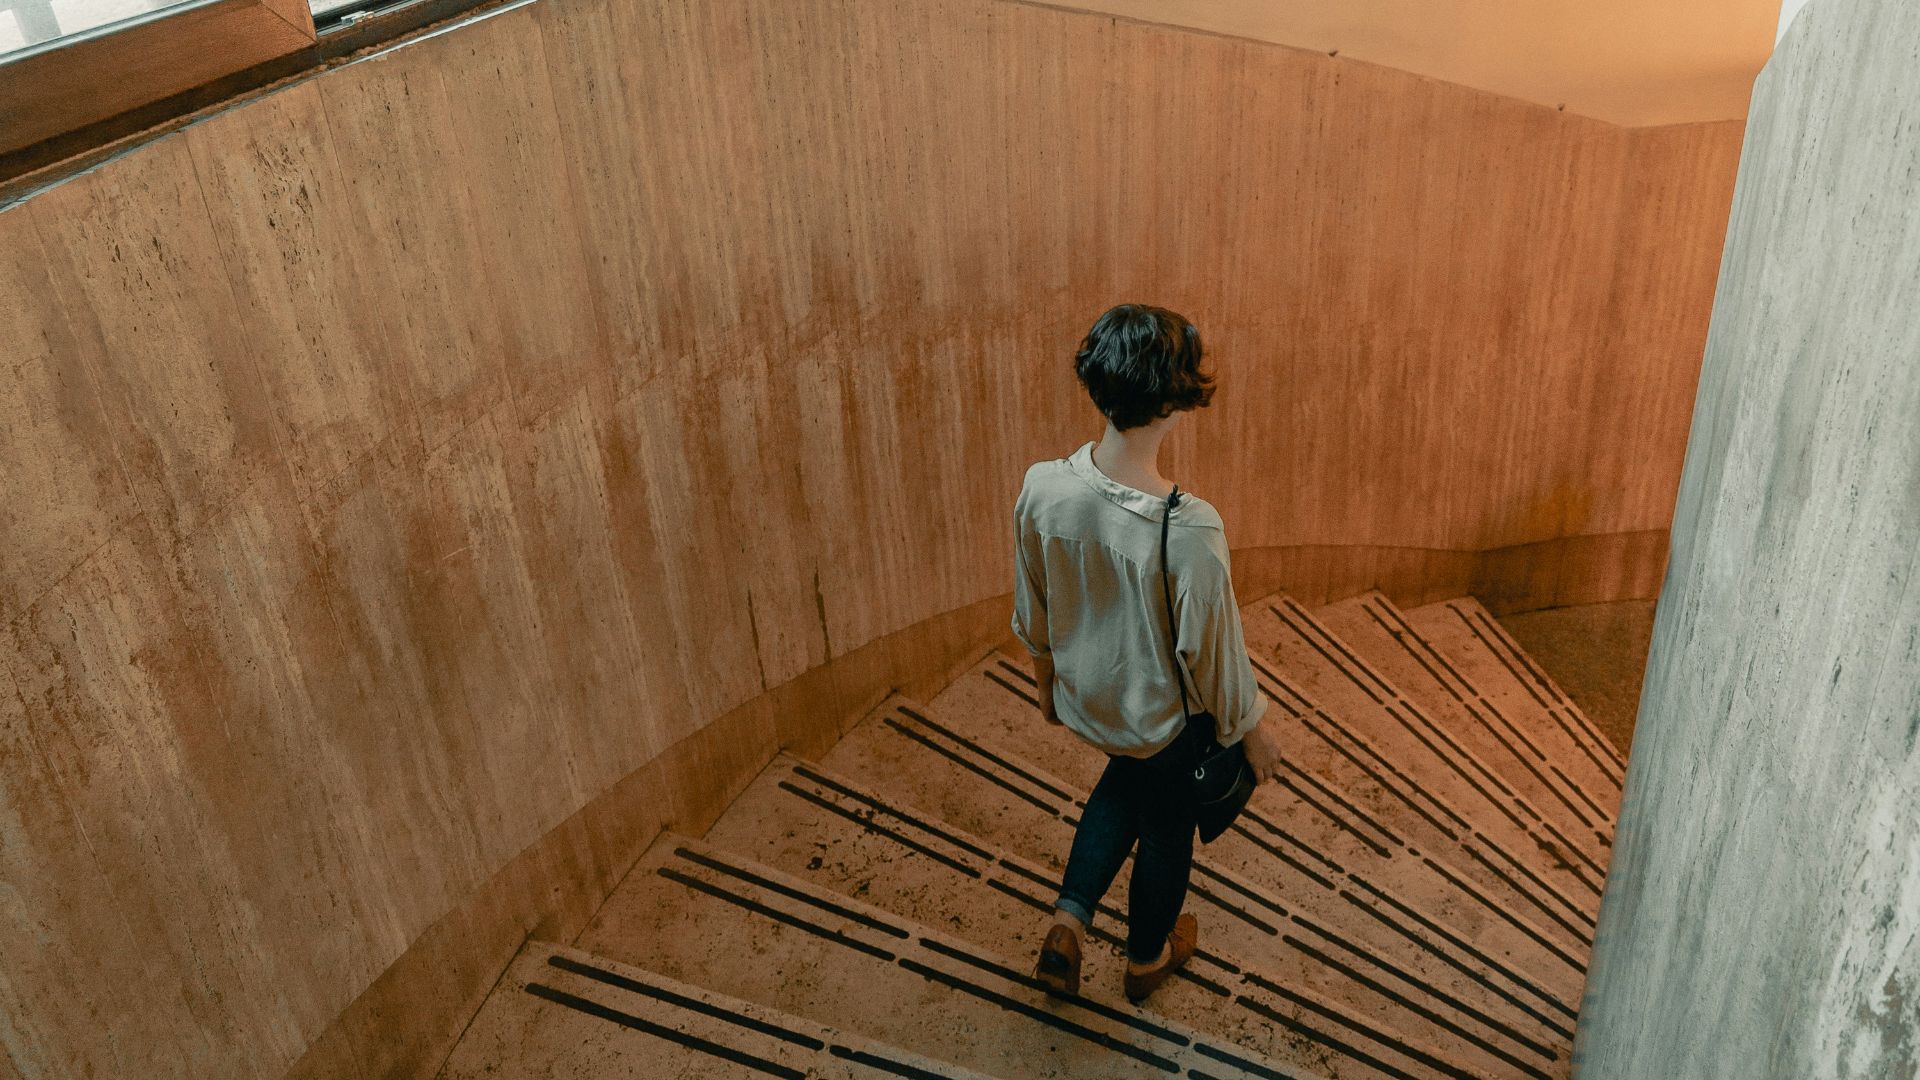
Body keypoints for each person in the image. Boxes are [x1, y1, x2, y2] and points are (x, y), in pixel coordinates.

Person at [1011, 303, 1281, 1005]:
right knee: (1166, 830)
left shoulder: (1042, 487)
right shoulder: (1189, 527)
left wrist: (1046, 685)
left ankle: (1068, 923)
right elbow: (1216, 661)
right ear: (1173, 400)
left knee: (1123, 784)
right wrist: (1251, 733)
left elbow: (1031, 605)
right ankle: (1144, 961)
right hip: (1156, 720)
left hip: (1086, 701)